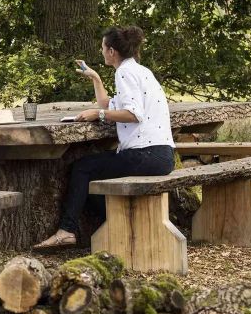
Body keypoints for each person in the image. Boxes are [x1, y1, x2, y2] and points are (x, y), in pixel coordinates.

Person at [34, 25, 175, 250]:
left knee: (82, 168)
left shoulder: (124, 73)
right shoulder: (141, 71)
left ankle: (67, 230)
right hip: (162, 155)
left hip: (146, 154)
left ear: (111, 51)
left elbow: (133, 114)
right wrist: (96, 79)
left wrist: (97, 115)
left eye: (102, 47)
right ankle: (119, 225)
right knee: (90, 171)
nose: (101, 51)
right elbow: (109, 104)